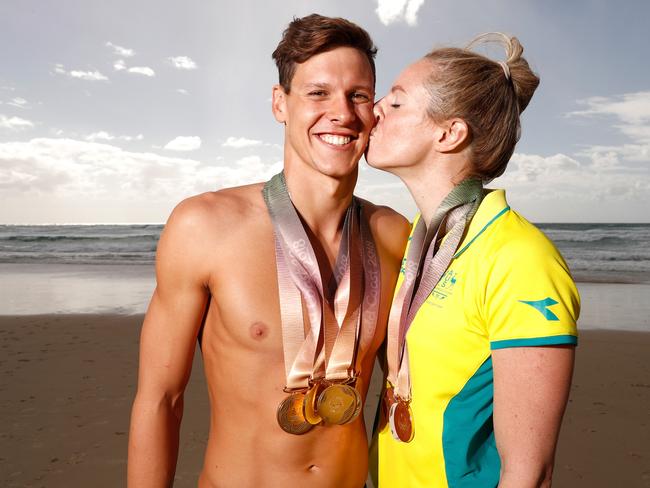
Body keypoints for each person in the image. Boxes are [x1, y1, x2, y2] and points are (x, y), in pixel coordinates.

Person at [127, 14, 409, 488]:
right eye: (318, 93)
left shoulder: (393, 235)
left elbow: (407, 394)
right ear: (281, 103)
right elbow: (160, 400)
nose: (341, 113)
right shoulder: (205, 225)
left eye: (358, 95)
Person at [367, 33, 579, 487]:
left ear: (449, 133)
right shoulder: (421, 241)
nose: (375, 109)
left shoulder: (519, 258)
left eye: (397, 103)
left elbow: (529, 473)